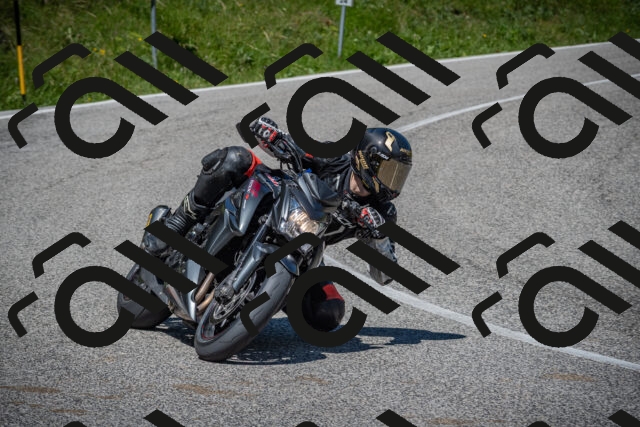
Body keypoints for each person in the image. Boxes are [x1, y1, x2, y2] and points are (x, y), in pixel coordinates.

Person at [144, 117, 413, 332]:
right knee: (236, 158)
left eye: (399, 175)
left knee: (329, 312)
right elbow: (298, 147)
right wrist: (272, 135)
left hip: (305, 246)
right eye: (390, 171)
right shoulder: (334, 158)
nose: (394, 182)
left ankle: (261, 300)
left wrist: (379, 237)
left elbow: (384, 276)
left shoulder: (382, 212)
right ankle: (178, 223)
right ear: (366, 161)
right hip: (277, 201)